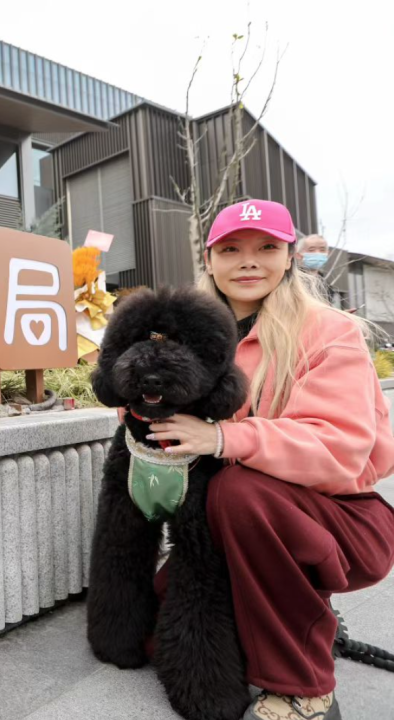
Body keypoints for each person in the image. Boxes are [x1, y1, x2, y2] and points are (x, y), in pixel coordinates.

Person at [144, 200, 394, 720]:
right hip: (224, 517)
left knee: (240, 491)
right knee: (156, 633)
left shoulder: (329, 331)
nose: (248, 261)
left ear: (289, 258)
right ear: (209, 260)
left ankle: (305, 685)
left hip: (337, 515)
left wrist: (222, 439)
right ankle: (279, 614)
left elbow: (340, 447)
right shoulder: (186, 336)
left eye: (266, 248)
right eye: (231, 249)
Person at [296, 233, 338, 305]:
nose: (317, 253)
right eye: (311, 250)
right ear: (298, 255)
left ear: (327, 254)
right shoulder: (291, 280)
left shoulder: (326, 285)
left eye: (322, 250)